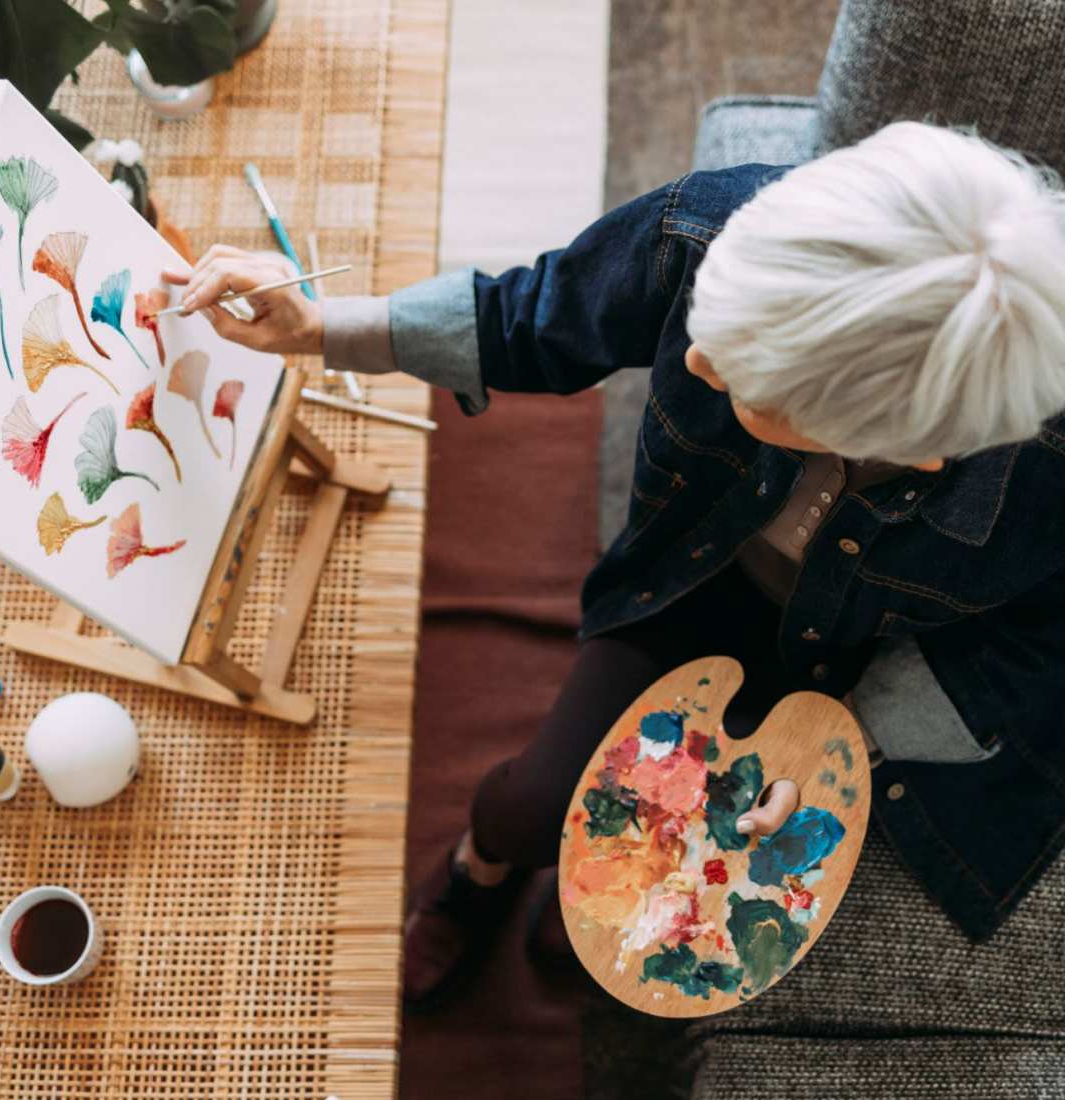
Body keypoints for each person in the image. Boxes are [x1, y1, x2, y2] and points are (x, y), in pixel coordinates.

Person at [164, 121, 1065, 1008]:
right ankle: (483, 869)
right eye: (714, 322)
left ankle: (590, 892)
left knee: (688, 866)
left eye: (750, 389)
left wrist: (834, 753)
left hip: (862, 663)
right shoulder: (717, 227)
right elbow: (537, 314)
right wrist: (322, 325)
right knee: (532, 810)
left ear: (915, 450)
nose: (697, 357)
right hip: (681, 577)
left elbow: (1029, 655)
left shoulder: (1040, 477)